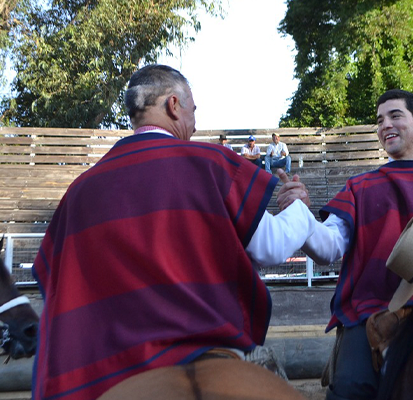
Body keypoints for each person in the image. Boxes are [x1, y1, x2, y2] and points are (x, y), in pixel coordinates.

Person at [31, 64, 318, 400]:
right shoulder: (208, 162)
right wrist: (299, 206)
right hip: (206, 351)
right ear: (173, 105)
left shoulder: (78, 191)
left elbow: (55, 289)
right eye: (193, 111)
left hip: (104, 374)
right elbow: (271, 247)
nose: (195, 125)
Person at [281, 89, 413, 400]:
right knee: (350, 390)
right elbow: (327, 249)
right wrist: (300, 214)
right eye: (380, 120)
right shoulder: (360, 186)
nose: (385, 125)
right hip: (369, 313)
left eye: (395, 116)